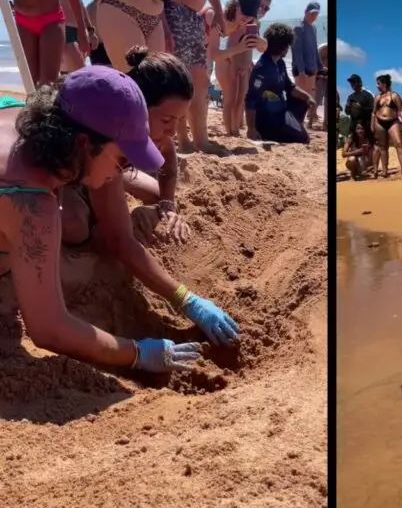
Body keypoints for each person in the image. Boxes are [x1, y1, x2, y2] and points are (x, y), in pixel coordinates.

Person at [0, 67, 237, 373]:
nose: (122, 172)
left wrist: (186, 300)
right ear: (85, 144)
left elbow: (121, 235)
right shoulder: (32, 204)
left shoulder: (31, 118)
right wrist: (137, 352)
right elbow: (49, 329)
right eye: (123, 161)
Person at [74, 46, 194, 245]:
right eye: (166, 120)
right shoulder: (114, 126)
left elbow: (169, 161)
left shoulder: (158, 131)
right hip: (83, 169)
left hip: (115, 169)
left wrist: (168, 203)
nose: (172, 131)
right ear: (138, 106)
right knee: (76, 228)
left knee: (159, 197)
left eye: (179, 120)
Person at [163, 0, 224, 154]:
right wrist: (163, 22)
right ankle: (182, 138)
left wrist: (218, 10)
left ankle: (201, 138)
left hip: (195, 16)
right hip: (175, 10)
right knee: (180, 79)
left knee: (201, 79)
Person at [244, 22, 315, 144]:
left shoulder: (280, 63)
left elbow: (290, 87)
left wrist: (308, 97)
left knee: (303, 101)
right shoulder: (263, 67)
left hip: (280, 111)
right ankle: (277, 131)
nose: (288, 48)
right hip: (267, 118)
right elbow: (251, 98)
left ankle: (294, 125)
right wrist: (251, 129)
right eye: (286, 45)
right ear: (281, 46)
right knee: (303, 139)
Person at [209, 0, 264, 141]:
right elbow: (214, 53)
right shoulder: (221, 17)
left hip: (239, 62)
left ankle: (234, 131)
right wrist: (236, 53)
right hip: (220, 57)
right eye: (244, 13)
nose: (247, 18)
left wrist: (260, 42)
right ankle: (230, 132)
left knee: (240, 99)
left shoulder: (251, 22)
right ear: (236, 4)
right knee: (230, 99)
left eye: (251, 15)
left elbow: (262, 47)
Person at [291, 1, 321, 128]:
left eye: (316, 14)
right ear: (306, 12)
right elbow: (297, 51)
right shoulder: (298, 28)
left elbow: (315, 48)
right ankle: (296, 123)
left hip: (312, 68)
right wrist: (301, 71)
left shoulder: (313, 28)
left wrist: (320, 65)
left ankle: (301, 123)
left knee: (308, 98)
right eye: (312, 13)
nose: (314, 16)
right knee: (300, 98)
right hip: (301, 70)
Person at [371, 73, 402, 177]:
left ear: (384, 84)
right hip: (379, 122)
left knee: (399, 143)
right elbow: (373, 112)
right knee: (383, 147)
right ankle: (384, 171)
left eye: (378, 83)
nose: (377, 85)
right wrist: (372, 125)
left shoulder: (394, 95)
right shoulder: (377, 97)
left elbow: (401, 110)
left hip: (393, 121)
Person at [55, 0, 88, 74]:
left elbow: (79, 0)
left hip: (77, 28)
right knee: (81, 74)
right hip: (64, 26)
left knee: (75, 74)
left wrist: (89, 28)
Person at [344, 74, 373, 140]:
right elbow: (347, 112)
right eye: (351, 83)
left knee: (366, 147)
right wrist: (348, 107)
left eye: (353, 82)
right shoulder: (350, 97)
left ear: (359, 83)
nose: (352, 84)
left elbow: (373, 110)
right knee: (351, 144)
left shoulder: (367, 95)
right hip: (353, 125)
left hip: (365, 126)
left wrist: (361, 108)